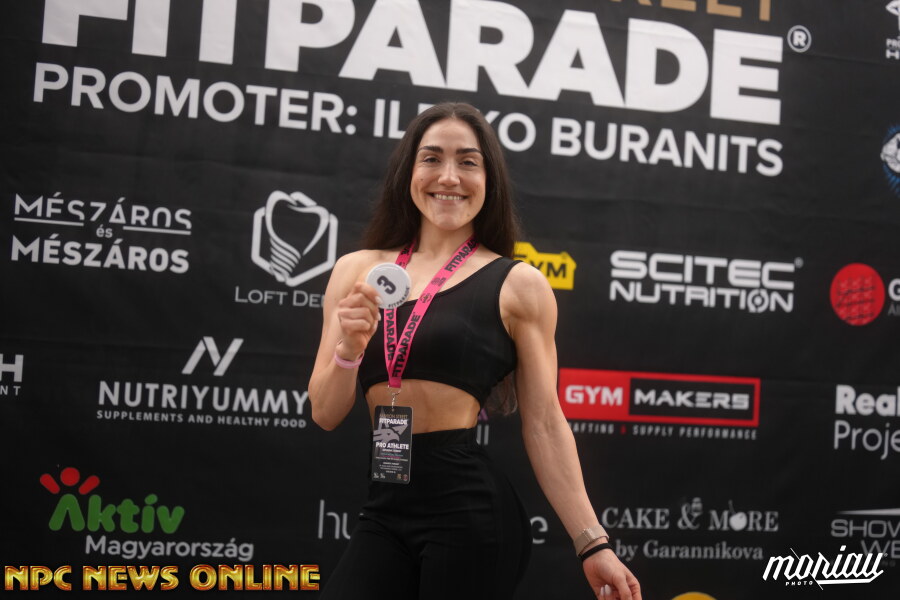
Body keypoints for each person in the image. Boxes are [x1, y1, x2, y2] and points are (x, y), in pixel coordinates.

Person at [308, 102, 641, 600]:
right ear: (408, 172)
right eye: (431, 158)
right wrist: (351, 348)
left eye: (467, 161)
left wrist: (592, 543)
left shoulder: (519, 285)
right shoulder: (357, 270)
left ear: (490, 180)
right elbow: (325, 412)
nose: (449, 177)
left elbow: (545, 423)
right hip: (384, 507)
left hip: (468, 513)